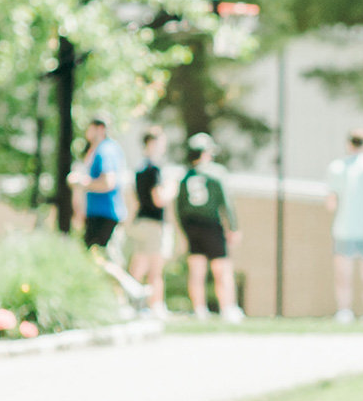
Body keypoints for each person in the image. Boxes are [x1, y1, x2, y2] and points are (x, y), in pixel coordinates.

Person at [175, 133, 244, 322]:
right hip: (212, 225)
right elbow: (226, 203)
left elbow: (179, 208)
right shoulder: (216, 173)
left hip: (192, 227)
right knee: (222, 269)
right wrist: (233, 227)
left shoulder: (186, 176)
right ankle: (227, 308)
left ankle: (199, 310)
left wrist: (184, 232)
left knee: (197, 272)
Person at [328, 131, 363, 321]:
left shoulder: (337, 168)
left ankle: (344, 311)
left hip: (344, 229)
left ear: (349, 144)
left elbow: (331, 202)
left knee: (343, 273)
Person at [125, 130, 172, 315]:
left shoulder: (139, 167)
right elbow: (158, 198)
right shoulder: (155, 169)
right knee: (155, 268)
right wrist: (171, 190)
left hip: (140, 221)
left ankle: (129, 304)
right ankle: (156, 305)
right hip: (154, 223)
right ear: (153, 143)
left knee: (138, 265)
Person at [79, 118, 125, 254]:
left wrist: (81, 182)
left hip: (105, 215)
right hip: (99, 213)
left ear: (100, 129)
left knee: (103, 261)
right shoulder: (103, 149)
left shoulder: (105, 150)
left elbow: (108, 182)